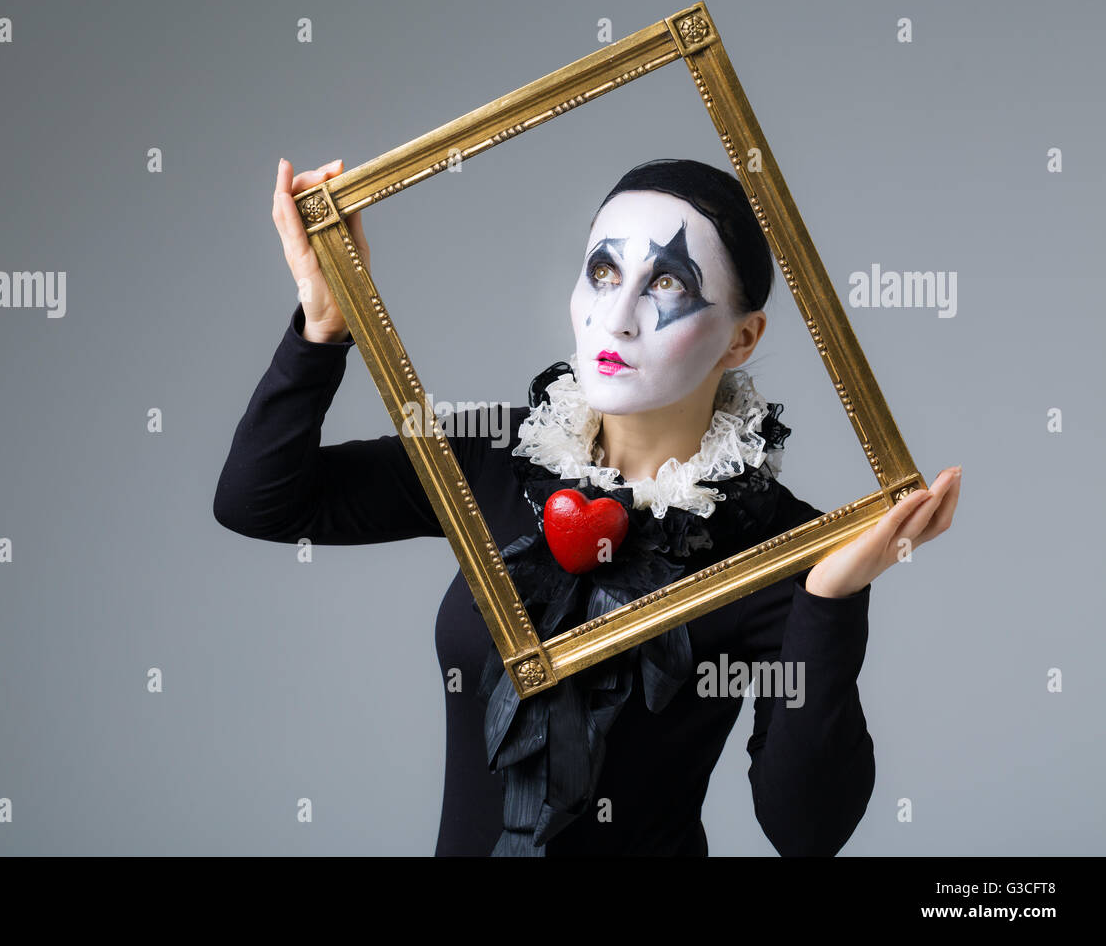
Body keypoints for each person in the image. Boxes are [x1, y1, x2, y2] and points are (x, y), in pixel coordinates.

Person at [213, 156, 961, 856]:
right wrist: (324, 328)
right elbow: (262, 502)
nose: (618, 316)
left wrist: (830, 600)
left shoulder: (784, 546)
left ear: (743, 339)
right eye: (603, 272)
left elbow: (808, 827)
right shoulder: (496, 454)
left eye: (667, 283)